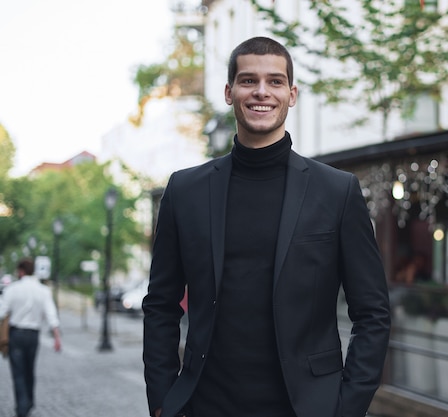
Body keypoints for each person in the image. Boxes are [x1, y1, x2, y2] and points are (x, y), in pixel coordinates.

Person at [142, 36, 391, 417]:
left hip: (306, 408)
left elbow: (372, 312)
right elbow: (161, 305)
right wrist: (162, 400)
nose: (262, 92)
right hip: (204, 405)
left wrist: (347, 406)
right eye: (248, 80)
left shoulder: (337, 191)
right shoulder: (185, 190)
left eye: (275, 81)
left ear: (292, 94)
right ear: (229, 92)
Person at [0, 257, 61, 417]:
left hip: (16, 334)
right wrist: (57, 337)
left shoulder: (12, 289)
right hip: (33, 335)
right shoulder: (43, 290)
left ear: (20, 271)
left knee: (18, 372)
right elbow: (51, 314)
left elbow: (1, 311)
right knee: (29, 369)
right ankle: (29, 402)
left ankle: (22, 407)